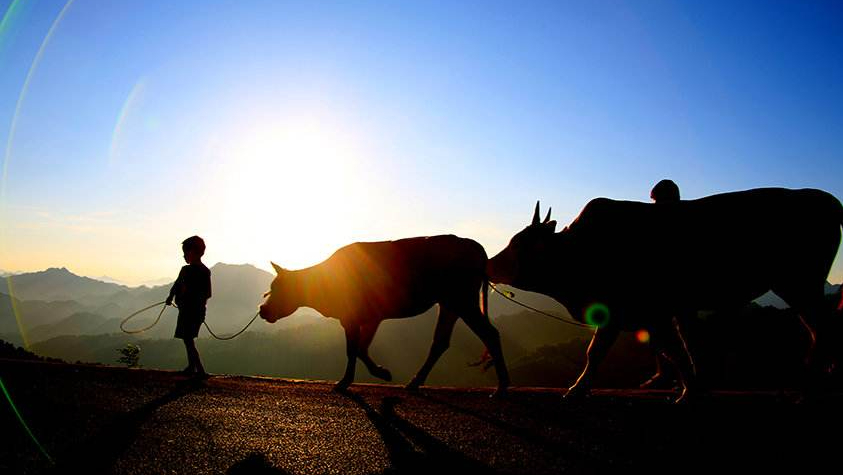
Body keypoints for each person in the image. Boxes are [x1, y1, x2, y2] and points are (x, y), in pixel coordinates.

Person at [166, 235, 212, 378]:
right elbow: (207, 294)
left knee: (188, 339)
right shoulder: (202, 271)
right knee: (188, 339)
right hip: (194, 310)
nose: (184, 256)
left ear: (192, 252)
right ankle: (193, 367)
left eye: (185, 252)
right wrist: (171, 296)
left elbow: (179, 286)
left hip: (190, 311)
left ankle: (199, 369)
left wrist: (175, 297)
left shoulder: (189, 271)